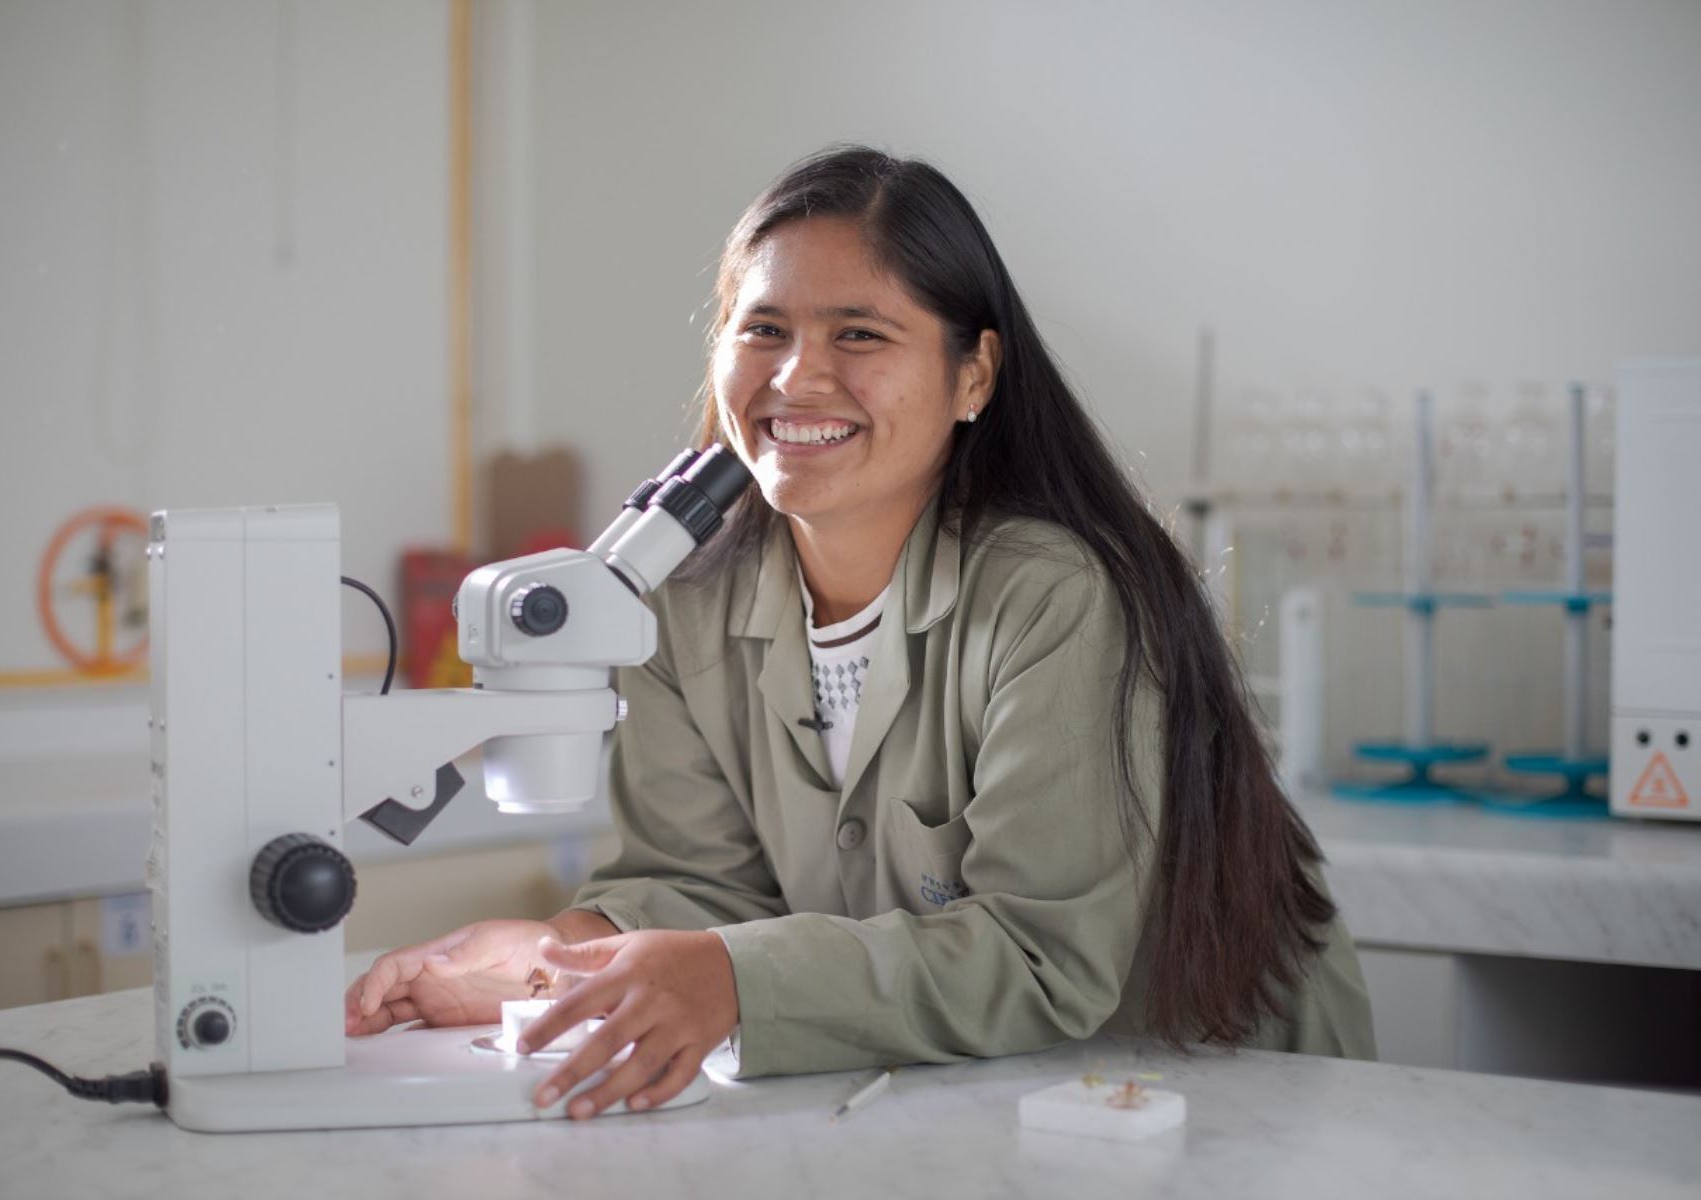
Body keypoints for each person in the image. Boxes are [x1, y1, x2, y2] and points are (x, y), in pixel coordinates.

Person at [346, 145, 1376, 1121]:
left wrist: (734, 981)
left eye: (860, 334)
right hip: (975, 1101)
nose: (797, 378)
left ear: (974, 374)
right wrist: (559, 957)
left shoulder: (1051, 594)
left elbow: (1039, 956)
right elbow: (706, 886)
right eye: (763, 330)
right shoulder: (677, 600)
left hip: (1203, 1088)